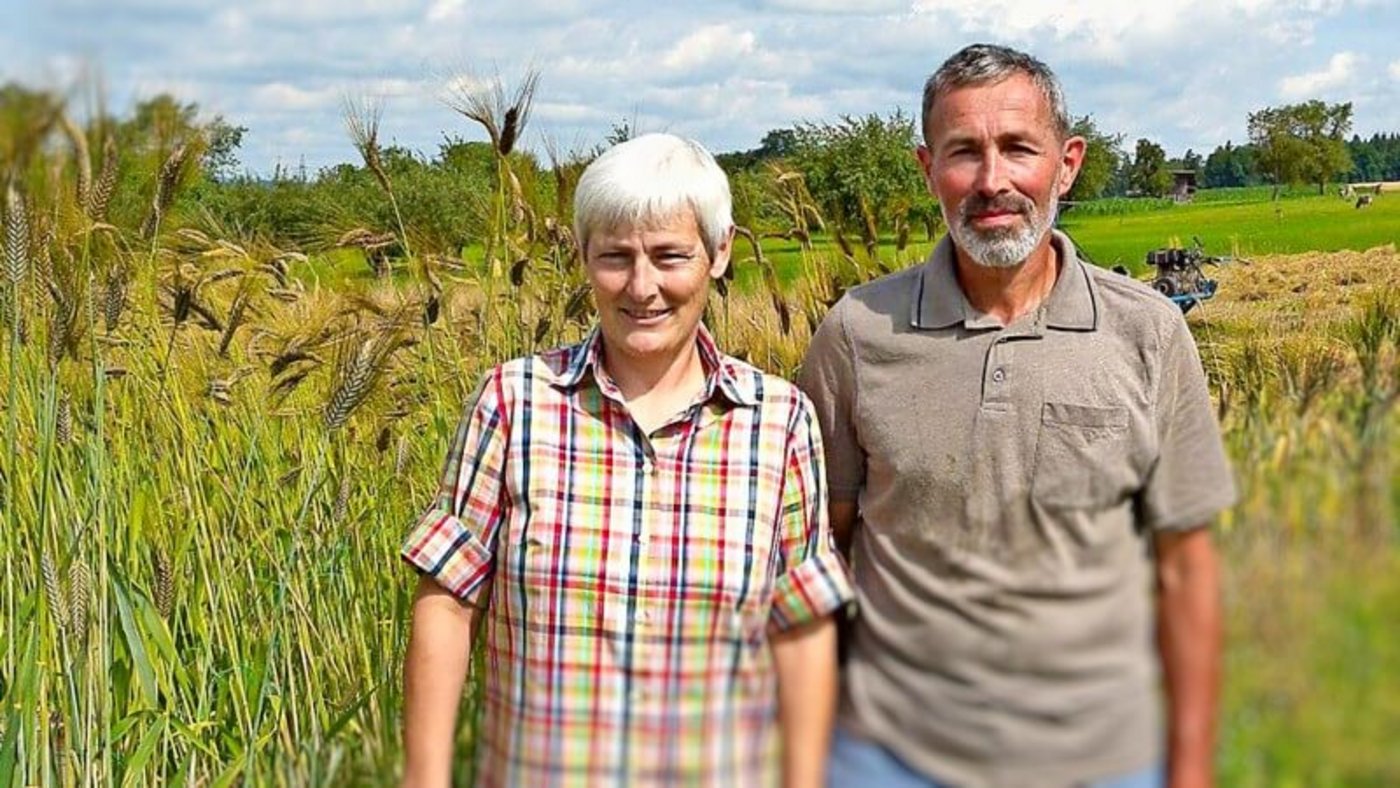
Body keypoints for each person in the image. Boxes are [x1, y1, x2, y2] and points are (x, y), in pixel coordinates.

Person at [799, 44, 1236, 788]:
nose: (992, 181)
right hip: (890, 756)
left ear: (1066, 163)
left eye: (1017, 149)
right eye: (964, 152)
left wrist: (1189, 771)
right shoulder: (857, 333)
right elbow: (820, 555)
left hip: (1101, 758)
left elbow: (1186, 570)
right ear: (926, 169)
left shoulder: (1149, 332)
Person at [400, 133, 854, 787]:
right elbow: (447, 598)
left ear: (719, 253)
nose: (643, 287)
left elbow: (804, 625)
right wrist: (425, 778)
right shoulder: (515, 402)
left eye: (670, 256)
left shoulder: (778, 420)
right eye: (616, 258)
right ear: (583, 256)